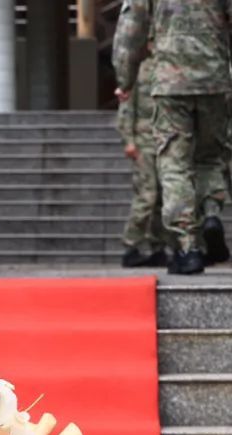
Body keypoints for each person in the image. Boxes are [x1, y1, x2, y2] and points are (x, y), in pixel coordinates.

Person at [114, 0, 232, 274]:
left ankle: (187, 247)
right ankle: (211, 214)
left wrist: (125, 79)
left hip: (170, 83)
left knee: (174, 163)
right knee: (211, 156)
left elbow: (131, 30)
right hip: (214, 80)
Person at [117, 46, 176, 267]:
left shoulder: (172, 70)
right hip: (143, 141)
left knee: (162, 198)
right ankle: (130, 244)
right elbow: (126, 108)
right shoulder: (137, 71)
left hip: (167, 141)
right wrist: (128, 140)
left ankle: (158, 246)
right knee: (147, 196)